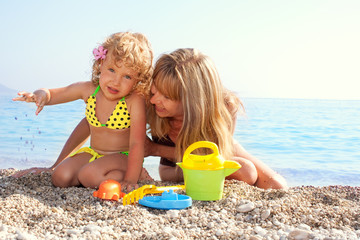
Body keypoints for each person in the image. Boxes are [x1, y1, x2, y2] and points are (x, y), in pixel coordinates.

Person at [12, 32, 154, 190]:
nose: (116, 81)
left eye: (127, 77)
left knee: (88, 175)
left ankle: (138, 174)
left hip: (123, 158)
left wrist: (131, 179)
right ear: (101, 63)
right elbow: (53, 94)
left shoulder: (134, 100)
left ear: (138, 80)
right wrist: (40, 95)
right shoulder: (89, 90)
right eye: (112, 70)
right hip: (94, 153)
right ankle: (99, 176)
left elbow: (137, 143)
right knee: (60, 177)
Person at [146, 48, 287, 189]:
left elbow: (213, 157)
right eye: (155, 88)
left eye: (167, 96)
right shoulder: (148, 104)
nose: (154, 100)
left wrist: (156, 149)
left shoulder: (225, 107)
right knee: (246, 172)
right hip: (173, 168)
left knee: (277, 185)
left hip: (221, 151)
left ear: (193, 101)